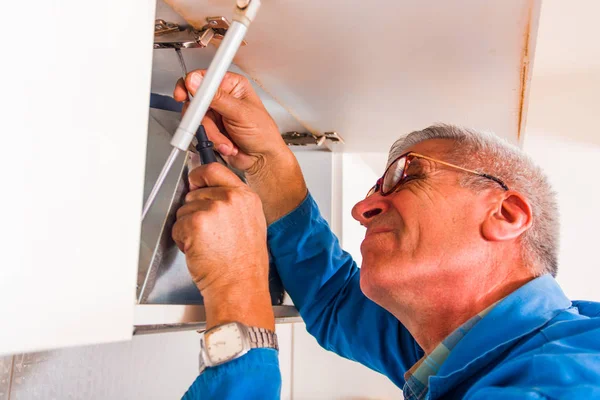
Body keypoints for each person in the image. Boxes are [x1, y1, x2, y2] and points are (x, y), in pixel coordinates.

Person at [172, 70, 600, 399]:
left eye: (405, 176)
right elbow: (336, 300)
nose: (362, 209)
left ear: (506, 214)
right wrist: (268, 164)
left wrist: (237, 286)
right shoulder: (467, 346)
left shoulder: (562, 383)